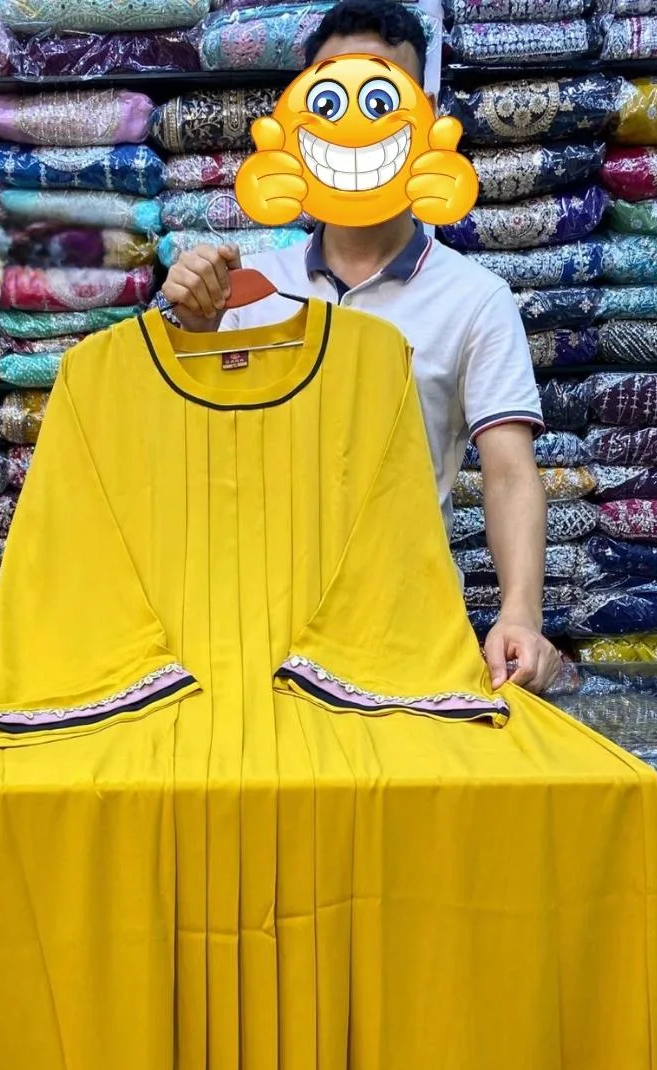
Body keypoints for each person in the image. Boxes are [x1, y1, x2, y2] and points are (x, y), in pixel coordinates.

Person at [158, 0, 560, 694]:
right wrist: (189, 325)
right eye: (328, 94)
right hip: (250, 628)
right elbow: (177, 445)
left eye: (379, 95)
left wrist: (520, 613)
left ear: (425, 117)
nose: (352, 125)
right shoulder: (243, 289)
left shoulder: (475, 298)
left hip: (405, 629)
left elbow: (508, 472)